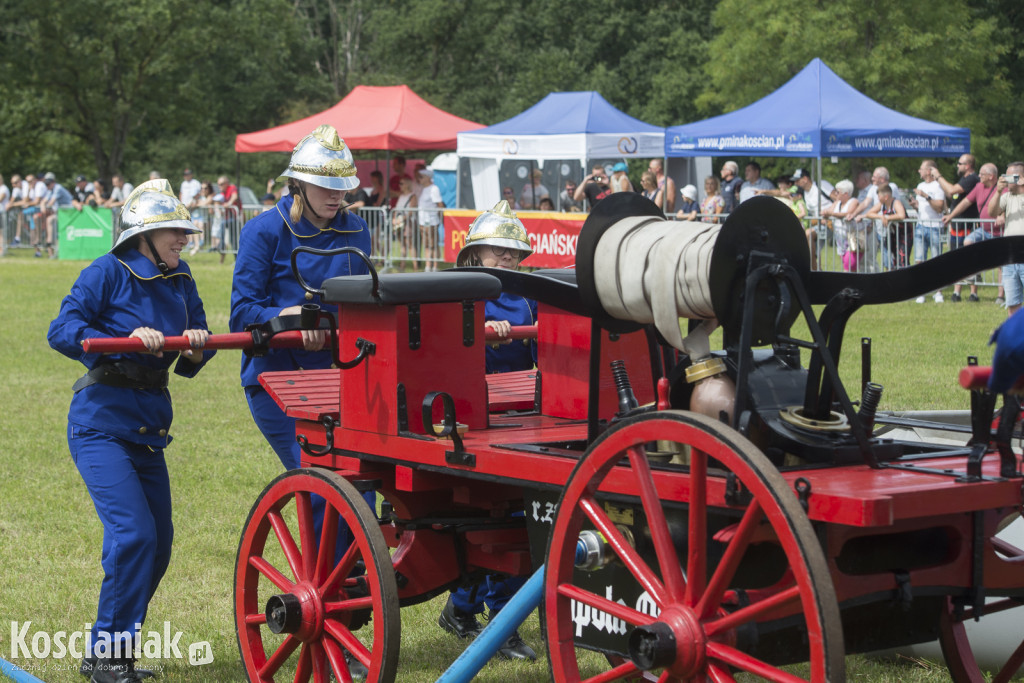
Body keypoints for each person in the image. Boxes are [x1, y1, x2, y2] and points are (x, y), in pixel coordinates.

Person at [47, 179, 213, 683]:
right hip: (100, 427)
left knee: (157, 545)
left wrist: (197, 347)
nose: (183, 239)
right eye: (173, 231)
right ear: (142, 235)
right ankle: (105, 660)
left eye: (185, 231)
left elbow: (192, 352)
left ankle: (116, 654)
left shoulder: (181, 278)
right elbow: (62, 330)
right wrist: (122, 339)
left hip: (149, 428)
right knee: (134, 536)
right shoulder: (106, 271)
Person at [229, 125, 373, 679]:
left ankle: (351, 595)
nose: (338, 196)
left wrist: (337, 325)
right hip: (277, 380)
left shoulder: (356, 231)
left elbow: (364, 297)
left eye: (342, 187)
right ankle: (328, 609)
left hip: (340, 377)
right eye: (325, 186)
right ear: (298, 183)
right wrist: (290, 323)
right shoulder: (263, 231)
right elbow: (243, 311)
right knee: (320, 487)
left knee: (361, 483)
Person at [438, 199, 537, 661]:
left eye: (514, 253)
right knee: (495, 521)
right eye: (499, 251)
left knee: (515, 519)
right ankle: (498, 623)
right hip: (475, 420)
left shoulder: (529, 296)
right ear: (475, 253)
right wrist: (479, 326)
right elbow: (445, 344)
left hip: (522, 418)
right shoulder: (463, 293)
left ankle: (462, 609)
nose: (508, 260)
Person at [946, 162, 1003, 302]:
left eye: (982, 174)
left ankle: (1000, 296)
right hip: (984, 229)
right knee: (968, 241)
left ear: (991, 176)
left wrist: (1003, 216)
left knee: (1002, 264)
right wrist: (951, 215)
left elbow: (1009, 204)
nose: (979, 176)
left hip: (1000, 232)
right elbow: (966, 202)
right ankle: (976, 269)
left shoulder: (1003, 189)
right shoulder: (978, 187)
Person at [988, 162, 1024, 315]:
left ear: (1020, 178)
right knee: (1013, 302)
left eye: (1010, 176)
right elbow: (991, 212)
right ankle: (1015, 337)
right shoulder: (1006, 197)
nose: (1006, 180)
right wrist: (997, 191)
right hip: (1010, 258)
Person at [912, 160, 948, 301]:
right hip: (921, 225)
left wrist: (926, 196)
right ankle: (921, 291)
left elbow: (939, 207)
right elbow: (921, 207)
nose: (919, 171)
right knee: (919, 260)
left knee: (935, 260)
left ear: (929, 171)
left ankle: (938, 292)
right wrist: (915, 204)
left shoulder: (937, 186)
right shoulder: (920, 185)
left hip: (934, 227)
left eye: (921, 169)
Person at [864, 184, 910, 270]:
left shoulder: (896, 203)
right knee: (891, 259)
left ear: (886, 197)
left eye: (879, 196)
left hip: (904, 235)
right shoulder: (881, 204)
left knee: (902, 259)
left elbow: (901, 215)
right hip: (892, 234)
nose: (877, 198)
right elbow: (869, 213)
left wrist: (888, 218)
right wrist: (881, 217)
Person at [821, 179, 862, 272]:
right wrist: (825, 213)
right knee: (849, 267)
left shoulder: (854, 201)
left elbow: (849, 213)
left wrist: (830, 213)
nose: (835, 193)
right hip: (840, 240)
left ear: (846, 194)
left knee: (849, 266)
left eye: (838, 191)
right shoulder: (837, 203)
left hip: (853, 238)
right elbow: (829, 211)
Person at [417, 167, 444, 271]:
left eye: (421, 177)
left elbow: (439, 204)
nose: (419, 179)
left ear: (428, 178)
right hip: (423, 221)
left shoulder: (434, 189)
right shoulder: (424, 189)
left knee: (433, 244)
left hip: (431, 221)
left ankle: (435, 266)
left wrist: (437, 217)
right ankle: (428, 265)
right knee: (427, 244)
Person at [42, 172, 74, 258]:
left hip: (71, 214)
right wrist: (43, 208)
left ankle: (51, 246)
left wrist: (45, 208)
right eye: (46, 184)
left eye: (48, 184)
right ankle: (50, 246)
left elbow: (51, 202)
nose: (47, 186)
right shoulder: (51, 190)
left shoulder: (58, 188)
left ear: (53, 182)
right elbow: (44, 201)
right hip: (63, 214)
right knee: (50, 221)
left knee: (52, 222)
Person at [393, 175, 418, 270]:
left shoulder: (412, 196)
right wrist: (394, 219)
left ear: (407, 184)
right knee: (402, 245)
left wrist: (402, 219)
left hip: (408, 223)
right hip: (399, 223)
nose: (400, 185)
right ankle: (402, 265)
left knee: (410, 245)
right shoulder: (401, 196)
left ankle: (415, 266)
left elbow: (411, 211)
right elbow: (396, 209)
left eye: (401, 183)